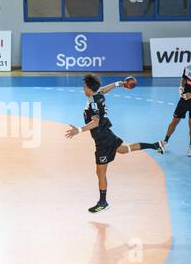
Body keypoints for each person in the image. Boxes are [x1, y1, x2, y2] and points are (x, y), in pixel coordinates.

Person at [65, 74, 165, 214]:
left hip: (102, 140)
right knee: (124, 149)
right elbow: (104, 89)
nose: (83, 88)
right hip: (107, 134)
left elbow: (95, 122)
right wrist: (120, 83)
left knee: (100, 172)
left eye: (84, 86)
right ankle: (155, 145)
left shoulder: (93, 103)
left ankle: (103, 202)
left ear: (88, 88)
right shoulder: (97, 95)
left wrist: (79, 130)